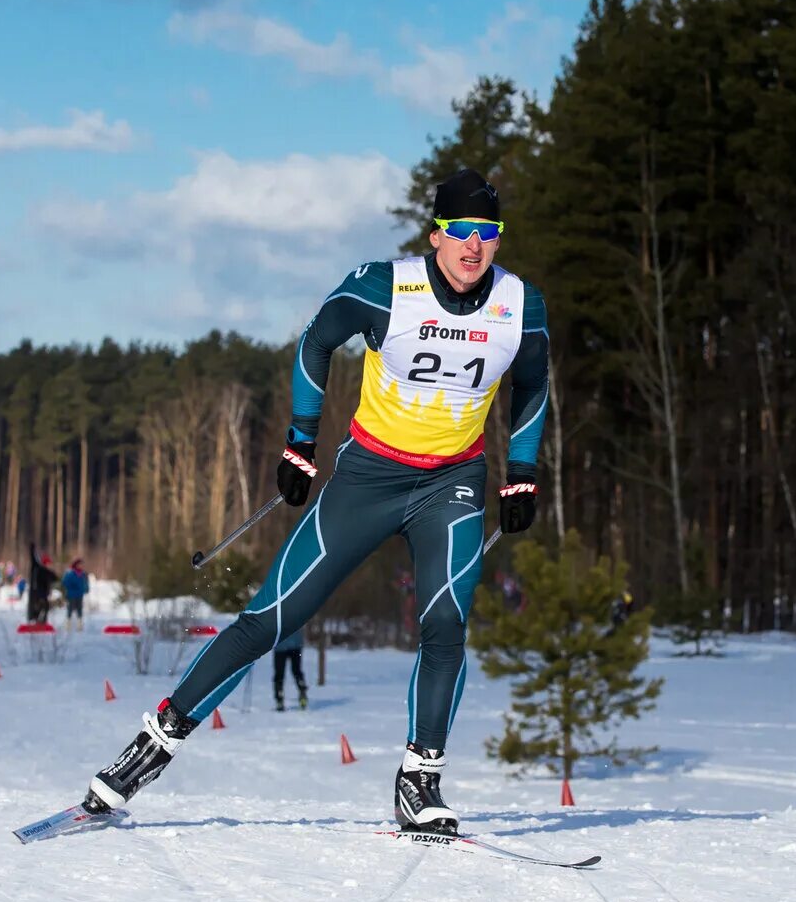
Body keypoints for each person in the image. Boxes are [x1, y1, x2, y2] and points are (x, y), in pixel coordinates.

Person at [82, 169, 549, 835]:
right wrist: (300, 441)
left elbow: (533, 384)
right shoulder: (387, 286)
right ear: (436, 235)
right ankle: (152, 745)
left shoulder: (520, 303)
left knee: (446, 625)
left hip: (453, 482)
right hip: (369, 478)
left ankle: (420, 781)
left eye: (488, 232)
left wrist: (521, 472)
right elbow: (316, 341)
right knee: (271, 617)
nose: (474, 246)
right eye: (461, 231)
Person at [272, 626, 308, 711]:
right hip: (296, 644)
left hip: (280, 645)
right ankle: (302, 689)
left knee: (279, 673)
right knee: (297, 670)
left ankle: (279, 699)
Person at [28, 544, 56, 624]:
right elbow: (33, 560)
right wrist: (32, 550)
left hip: (44, 593)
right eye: (48, 563)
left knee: (45, 607)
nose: (49, 565)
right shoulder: (40, 570)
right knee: (41, 607)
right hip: (39, 593)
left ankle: (42, 621)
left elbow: (55, 578)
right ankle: (37, 620)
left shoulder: (48, 572)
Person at [61, 558, 89, 631]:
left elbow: (85, 583)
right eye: (80, 564)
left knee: (80, 609)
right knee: (70, 609)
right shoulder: (70, 573)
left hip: (80, 594)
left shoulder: (83, 574)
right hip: (71, 594)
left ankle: (80, 625)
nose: (81, 566)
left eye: (82, 564)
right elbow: (64, 582)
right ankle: (68, 625)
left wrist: (86, 589)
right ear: (76, 565)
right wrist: (71, 586)